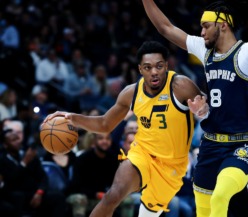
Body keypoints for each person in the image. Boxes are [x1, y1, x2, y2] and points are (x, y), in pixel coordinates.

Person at [141, 0, 248, 216]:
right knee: (203, 210)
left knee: (221, 196)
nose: (201, 32)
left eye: (206, 26)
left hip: (241, 145)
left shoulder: (246, 53)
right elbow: (166, 28)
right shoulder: (205, 51)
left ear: (223, 25)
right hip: (211, 144)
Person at [43, 40, 208, 217]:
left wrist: (201, 110)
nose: (154, 72)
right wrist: (73, 118)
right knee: (113, 195)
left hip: (172, 166)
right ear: (140, 69)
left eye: (159, 66)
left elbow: (208, 109)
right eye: (147, 67)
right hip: (143, 153)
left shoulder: (181, 85)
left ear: (166, 66)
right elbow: (105, 124)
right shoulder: (131, 93)